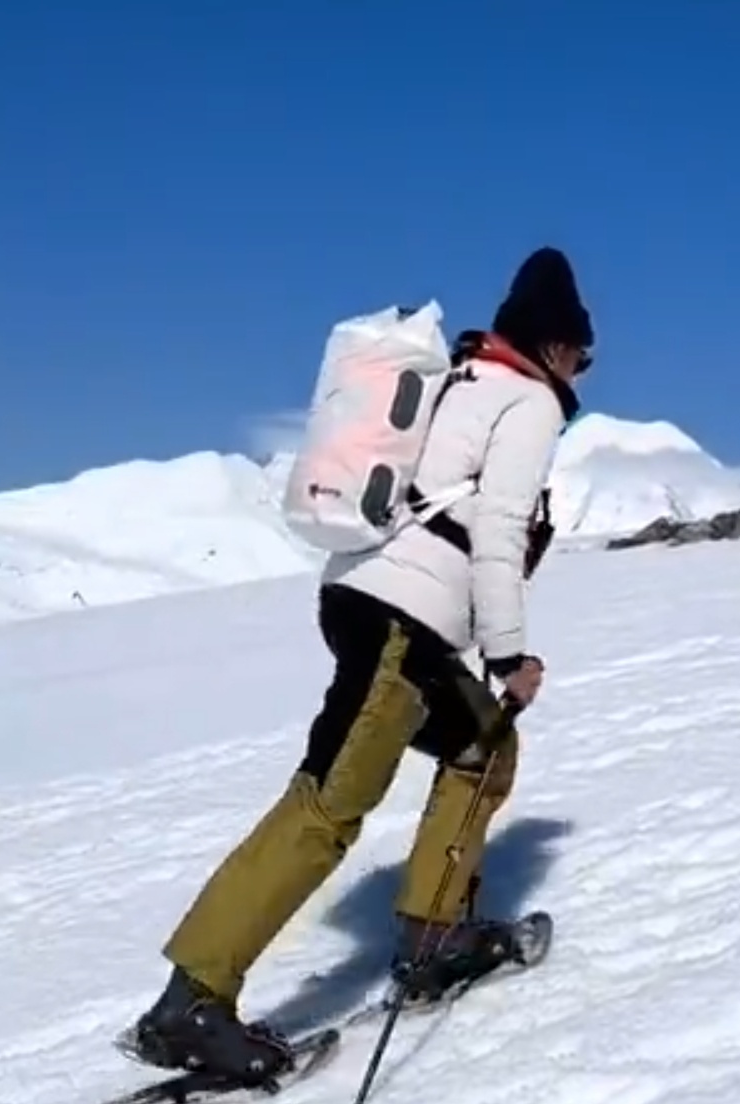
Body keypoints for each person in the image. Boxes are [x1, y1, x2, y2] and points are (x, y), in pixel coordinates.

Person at [119, 246, 595, 1083]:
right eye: (583, 352)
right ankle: (189, 1003)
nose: (585, 370)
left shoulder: (463, 380)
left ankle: (434, 934)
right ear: (556, 344)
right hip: (399, 626)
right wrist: (510, 653)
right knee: (329, 804)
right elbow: (499, 531)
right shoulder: (526, 402)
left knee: (483, 746)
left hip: (372, 605)